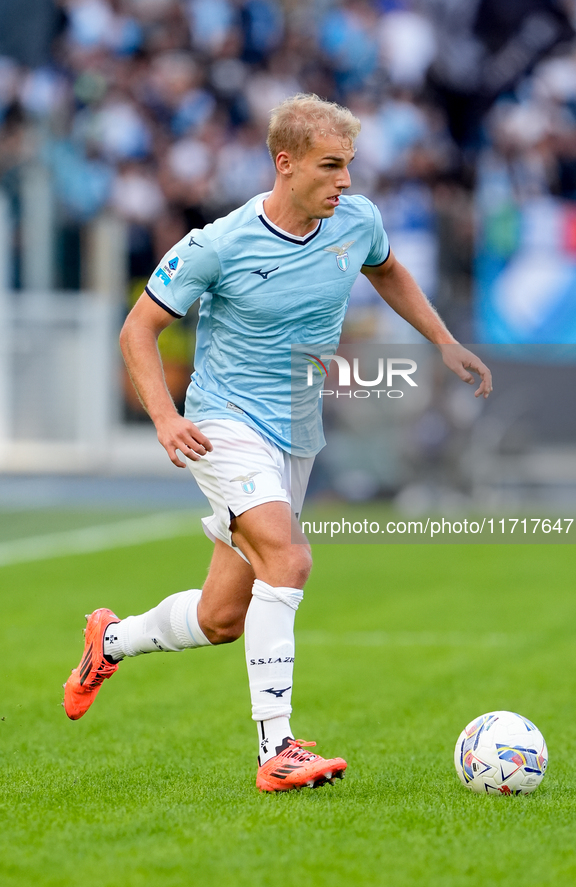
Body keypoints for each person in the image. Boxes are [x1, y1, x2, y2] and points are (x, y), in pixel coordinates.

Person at [63, 94, 492, 792]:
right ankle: (278, 747)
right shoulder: (217, 244)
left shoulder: (356, 220)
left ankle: (107, 640)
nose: (345, 181)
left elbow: (386, 271)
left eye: (349, 165)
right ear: (284, 164)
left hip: (295, 431)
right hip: (224, 423)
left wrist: (442, 341)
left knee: (221, 616)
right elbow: (135, 329)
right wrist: (167, 417)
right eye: (331, 166)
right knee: (289, 558)